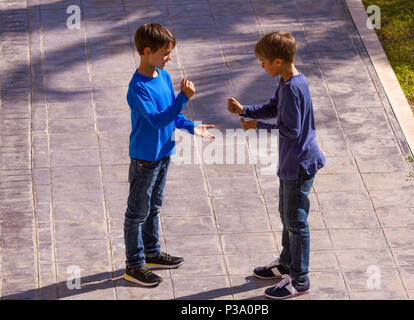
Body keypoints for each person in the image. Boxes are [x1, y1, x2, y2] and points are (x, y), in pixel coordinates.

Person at [227, 31, 326, 299]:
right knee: (287, 215)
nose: (262, 66)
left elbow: (291, 131)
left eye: (264, 62)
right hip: (291, 164)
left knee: (296, 221)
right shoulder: (288, 81)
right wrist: (244, 110)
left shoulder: (293, 88)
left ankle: (300, 280)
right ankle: (286, 263)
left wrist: (256, 125)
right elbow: (274, 107)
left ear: (279, 60)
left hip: (299, 164)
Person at [123, 23, 215, 286]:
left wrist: (190, 126)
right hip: (145, 158)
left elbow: (172, 116)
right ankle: (134, 264)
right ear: (147, 51)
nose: (169, 58)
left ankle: (151, 252)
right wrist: (183, 97)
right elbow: (157, 120)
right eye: (165, 53)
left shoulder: (161, 76)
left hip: (163, 153)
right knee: (136, 213)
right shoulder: (138, 87)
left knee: (154, 206)